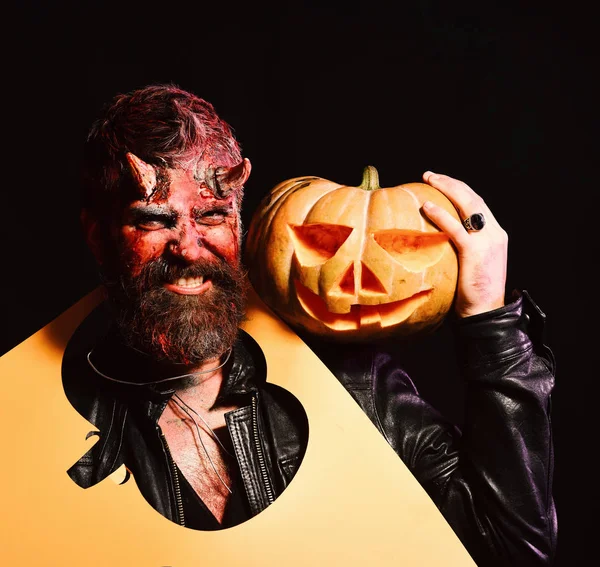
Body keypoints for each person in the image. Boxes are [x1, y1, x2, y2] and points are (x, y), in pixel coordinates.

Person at [64, 83, 557, 565]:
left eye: (213, 215)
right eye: (153, 219)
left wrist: (490, 321)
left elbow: (511, 549)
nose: (189, 248)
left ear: (242, 224)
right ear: (97, 235)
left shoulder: (353, 384)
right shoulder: (47, 423)